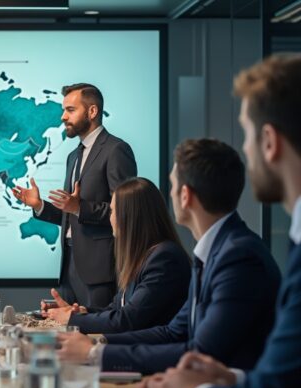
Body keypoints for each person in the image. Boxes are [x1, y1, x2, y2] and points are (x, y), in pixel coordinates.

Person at [138, 54, 301, 388]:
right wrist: (235, 379)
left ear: (269, 141)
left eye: (246, 134)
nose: (245, 151)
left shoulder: (239, 256)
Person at [57, 138, 281, 375]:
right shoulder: (217, 250)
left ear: (185, 196)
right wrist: (98, 345)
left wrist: (95, 353)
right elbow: (173, 332)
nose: (170, 195)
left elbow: (201, 353)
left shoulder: (237, 257)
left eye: (172, 186)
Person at [12, 83, 137, 309]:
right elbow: (71, 212)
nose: (62, 117)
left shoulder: (116, 150)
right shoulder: (73, 156)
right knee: (69, 335)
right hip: (69, 266)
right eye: (63, 110)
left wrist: (80, 207)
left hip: (100, 271)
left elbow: (126, 211)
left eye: (70, 110)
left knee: (96, 335)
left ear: (92, 112)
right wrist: (39, 206)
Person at [44, 177, 190, 334]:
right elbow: (115, 309)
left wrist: (71, 320)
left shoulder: (164, 259)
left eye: (113, 211)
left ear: (130, 216)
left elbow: (127, 320)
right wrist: (80, 312)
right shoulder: (147, 256)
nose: (110, 217)